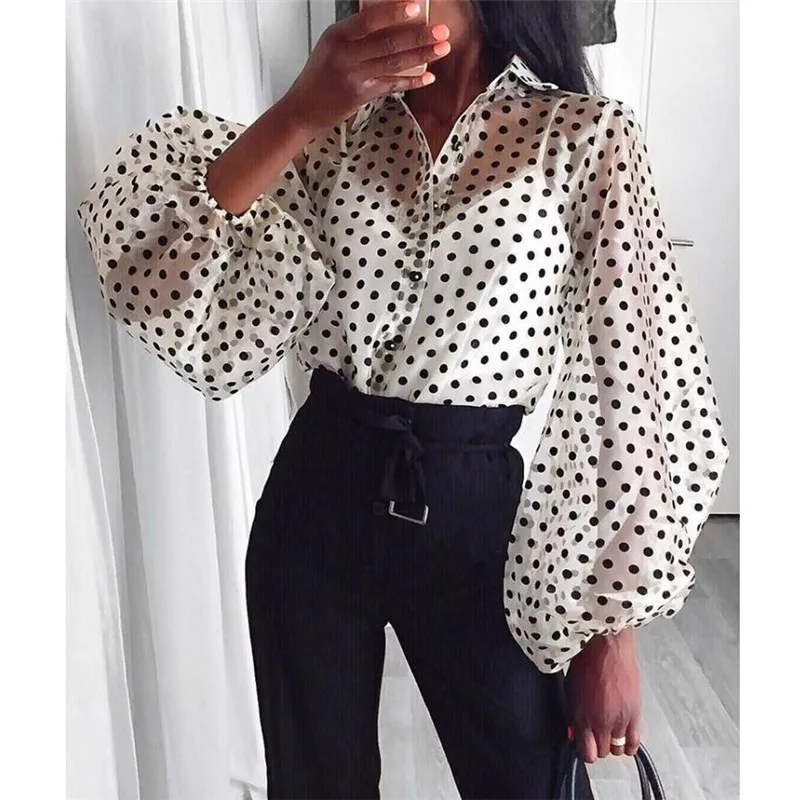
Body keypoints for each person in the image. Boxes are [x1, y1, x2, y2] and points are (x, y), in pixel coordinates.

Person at [75, 1, 730, 797]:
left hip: (472, 519)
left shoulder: (582, 137)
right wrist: (298, 112)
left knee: (529, 781)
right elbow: (160, 268)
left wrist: (609, 636)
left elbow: (634, 389)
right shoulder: (337, 129)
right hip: (317, 496)